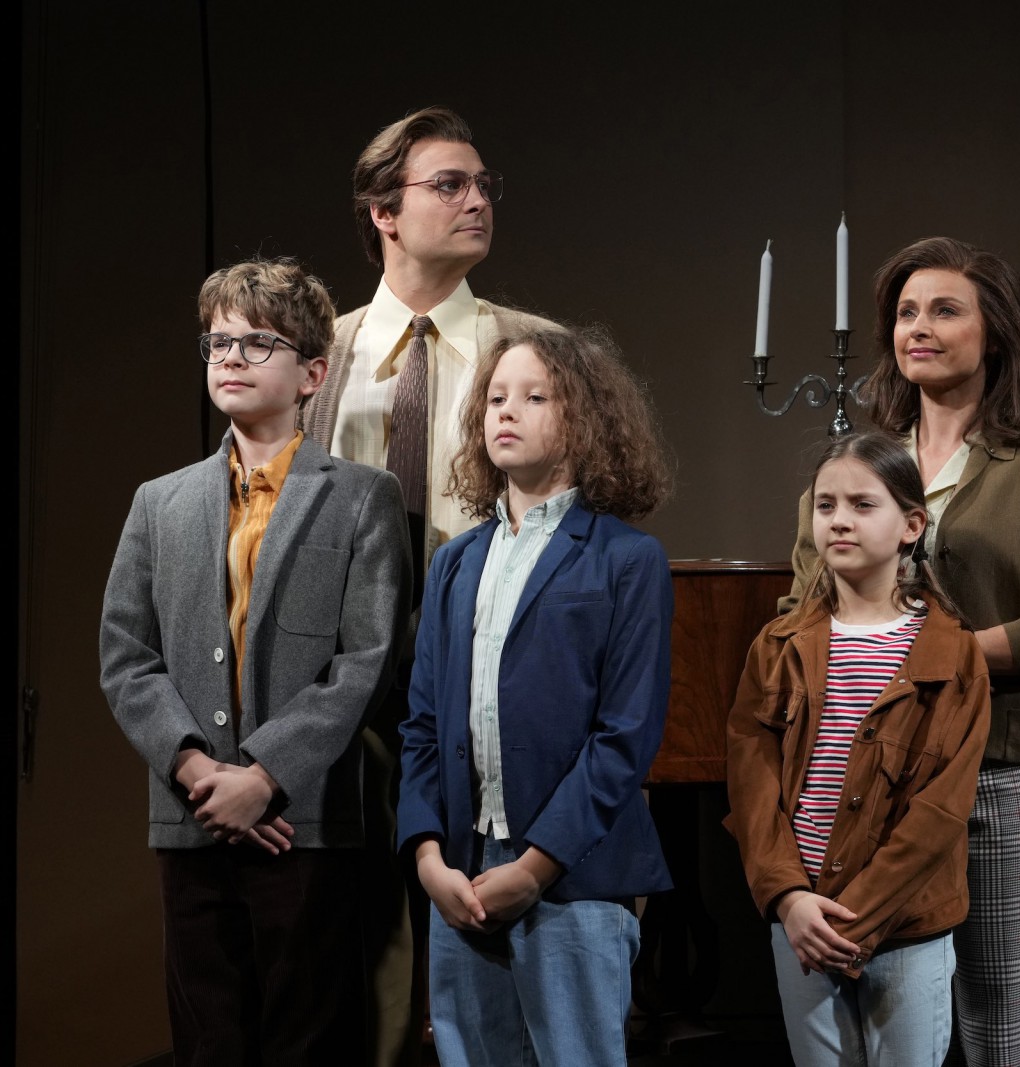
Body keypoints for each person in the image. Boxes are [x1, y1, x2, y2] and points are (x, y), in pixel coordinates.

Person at [781, 237, 1020, 1067]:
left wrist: (933, 659)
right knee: (878, 1038)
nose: (918, 327)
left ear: (994, 333)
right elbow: (802, 608)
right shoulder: (858, 465)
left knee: (1002, 1033)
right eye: (906, 312)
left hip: (1000, 780)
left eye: (945, 309)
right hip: (868, 784)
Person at [98, 256, 413, 1065]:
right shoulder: (157, 501)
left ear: (312, 372)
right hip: (192, 818)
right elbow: (127, 655)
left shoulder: (361, 495)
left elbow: (367, 659)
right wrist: (199, 770)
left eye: (256, 342)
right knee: (209, 1038)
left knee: (307, 1038)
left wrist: (264, 775)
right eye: (216, 343)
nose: (230, 357)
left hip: (301, 823)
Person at [300, 105, 556, 1067]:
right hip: (340, 687)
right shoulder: (316, 353)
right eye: (450, 184)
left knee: (487, 952)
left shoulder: (538, 351)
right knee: (357, 958)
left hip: (483, 678)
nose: (477, 199)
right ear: (383, 211)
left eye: (486, 184)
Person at [397, 323, 676, 1066]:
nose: (505, 411)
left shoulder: (626, 559)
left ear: (582, 417)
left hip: (570, 876)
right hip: (461, 875)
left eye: (533, 395)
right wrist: (427, 859)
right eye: (494, 397)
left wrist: (534, 866)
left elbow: (625, 735)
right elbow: (421, 724)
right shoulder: (457, 563)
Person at [728, 430, 993, 1067]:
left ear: (911, 524)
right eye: (825, 506)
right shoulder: (778, 643)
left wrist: (857, 918)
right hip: (804, 917)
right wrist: (789, 898)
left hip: (904, 924)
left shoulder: (952, 652)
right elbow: (752, 778)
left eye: (861, 505)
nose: (839, 520)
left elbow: (942, 808)